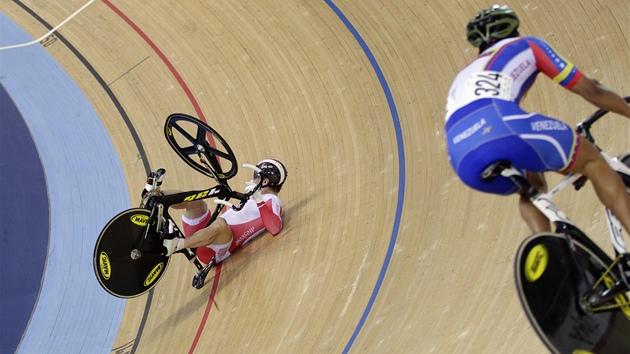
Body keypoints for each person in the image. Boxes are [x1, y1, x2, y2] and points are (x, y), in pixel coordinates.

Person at [445, 5, 630, 235]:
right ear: (514, 29)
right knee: (592, 160)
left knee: (532, 185)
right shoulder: (526, 46)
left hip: (462, 160)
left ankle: (546, 249)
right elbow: (591, 91)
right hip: (501, 127)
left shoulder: (463, 75)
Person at [149, 159, 287, 264]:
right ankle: (156, 195)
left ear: (265, 181)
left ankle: (178, 244)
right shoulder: (252, 197)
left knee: (221, 223)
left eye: (255, 176)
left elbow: (275, 228)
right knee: (197, 202)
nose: (252, 179)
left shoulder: (272, 200)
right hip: (207, 236)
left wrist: (259, 200)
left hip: (219, 249)